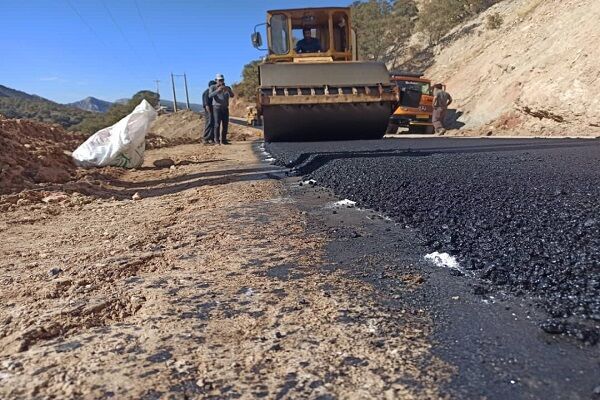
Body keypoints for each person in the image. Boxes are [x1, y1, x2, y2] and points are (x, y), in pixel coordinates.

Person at [208, 74, 235, 145]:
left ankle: (224, 140)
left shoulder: (227, 87)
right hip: (216, 108)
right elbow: (210, 95)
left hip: (225, 108)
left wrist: (229, 90)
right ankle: (216, 140)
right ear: (216, 80)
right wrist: (217, 90)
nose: (221, 82)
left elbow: (232, 95)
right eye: (219, 80)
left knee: (225, 124)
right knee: (217, 124)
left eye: (222, 80)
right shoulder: (212, 87)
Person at [202, 80, 216, 144]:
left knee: (213, 125)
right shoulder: (206, 93)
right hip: (208, 111)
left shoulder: (213, 93)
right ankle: (205, 139)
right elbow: (206, 104)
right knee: (209, 124)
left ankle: (211, 138)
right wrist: (210, 113)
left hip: (213, 111)